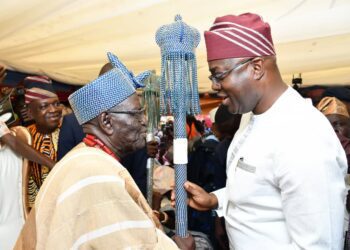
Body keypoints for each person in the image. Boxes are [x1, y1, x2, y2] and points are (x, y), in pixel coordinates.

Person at [173, 13, 347, 249]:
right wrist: (215, 199)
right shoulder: (250, 116)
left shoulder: (303, 136)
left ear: (256, 68)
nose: (214, 86)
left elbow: (318, 245)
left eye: (219, 75)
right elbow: (263, 191)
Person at [15, 53, 193, 250]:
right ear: (106, 121)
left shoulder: (89, 158)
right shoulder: (94, 173)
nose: (144, 121)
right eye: (136, 113)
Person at [24, 75, 62, 207]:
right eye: (44, 106)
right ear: (30, 113)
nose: (53, 110)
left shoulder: (70, 131)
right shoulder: (24, 136)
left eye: (57, 104)